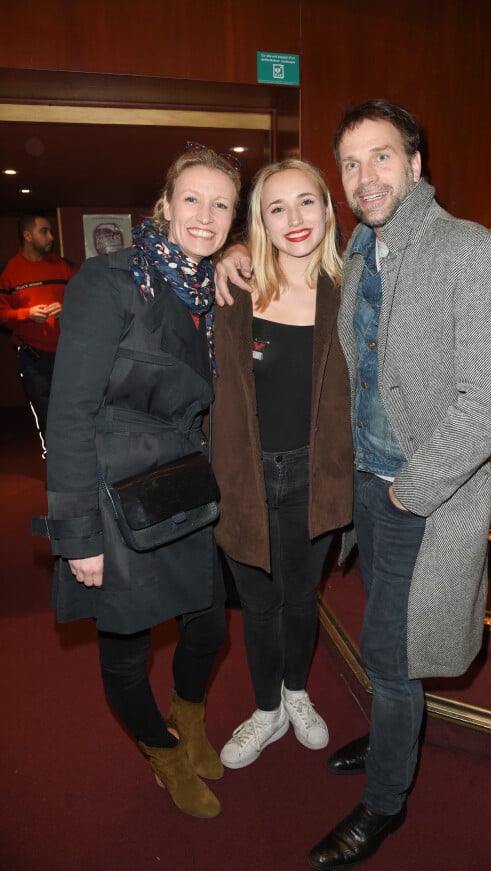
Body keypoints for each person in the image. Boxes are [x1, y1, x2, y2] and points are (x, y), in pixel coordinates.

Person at [215, 100, 491, 869]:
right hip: (367, 492)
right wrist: (230, 253)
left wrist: (407, 489)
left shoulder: (472, 252)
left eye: (381, 157)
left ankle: (385, 802)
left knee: (393, 653)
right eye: (350, 163)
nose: (364, 176)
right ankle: (391, 731)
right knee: (391, 647)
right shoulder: (356, 254)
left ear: (416, 164)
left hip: (424, 498)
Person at [35, 145, 242, 819]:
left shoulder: (208, 292)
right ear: (165, 203)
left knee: (209, 626)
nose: (205, 216)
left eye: (221, 204)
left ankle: (189, 718)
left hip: (181, 487)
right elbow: (68, 413)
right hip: (111, 494)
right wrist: (78, 535)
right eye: (193, 198)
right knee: (125, 648)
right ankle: (162, 750)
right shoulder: (111, 279)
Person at [211, 159, 352, 770]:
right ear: (259, 223)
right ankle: (265, 709)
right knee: (258, 604)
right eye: (276, 208)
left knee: (301, 599)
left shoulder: (352, 296)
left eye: (306, 203)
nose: (295, 219)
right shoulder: (232, 291)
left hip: (316, 477)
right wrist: (229, 252)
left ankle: (296, 692)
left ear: (327, 208)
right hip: (244, 477)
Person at [0, 214, 75, 453]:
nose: (51, 237)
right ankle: (57, 467)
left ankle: (81, 462)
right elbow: (2, 315)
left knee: (74, 410)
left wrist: (67, 307)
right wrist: (26, 313)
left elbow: (85, 299)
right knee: (46, 414)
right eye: (44, 231)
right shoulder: (9, 272)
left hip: (67, 354)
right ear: (27, 235)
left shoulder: (62, 266)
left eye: (51, 231)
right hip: (33, 358)